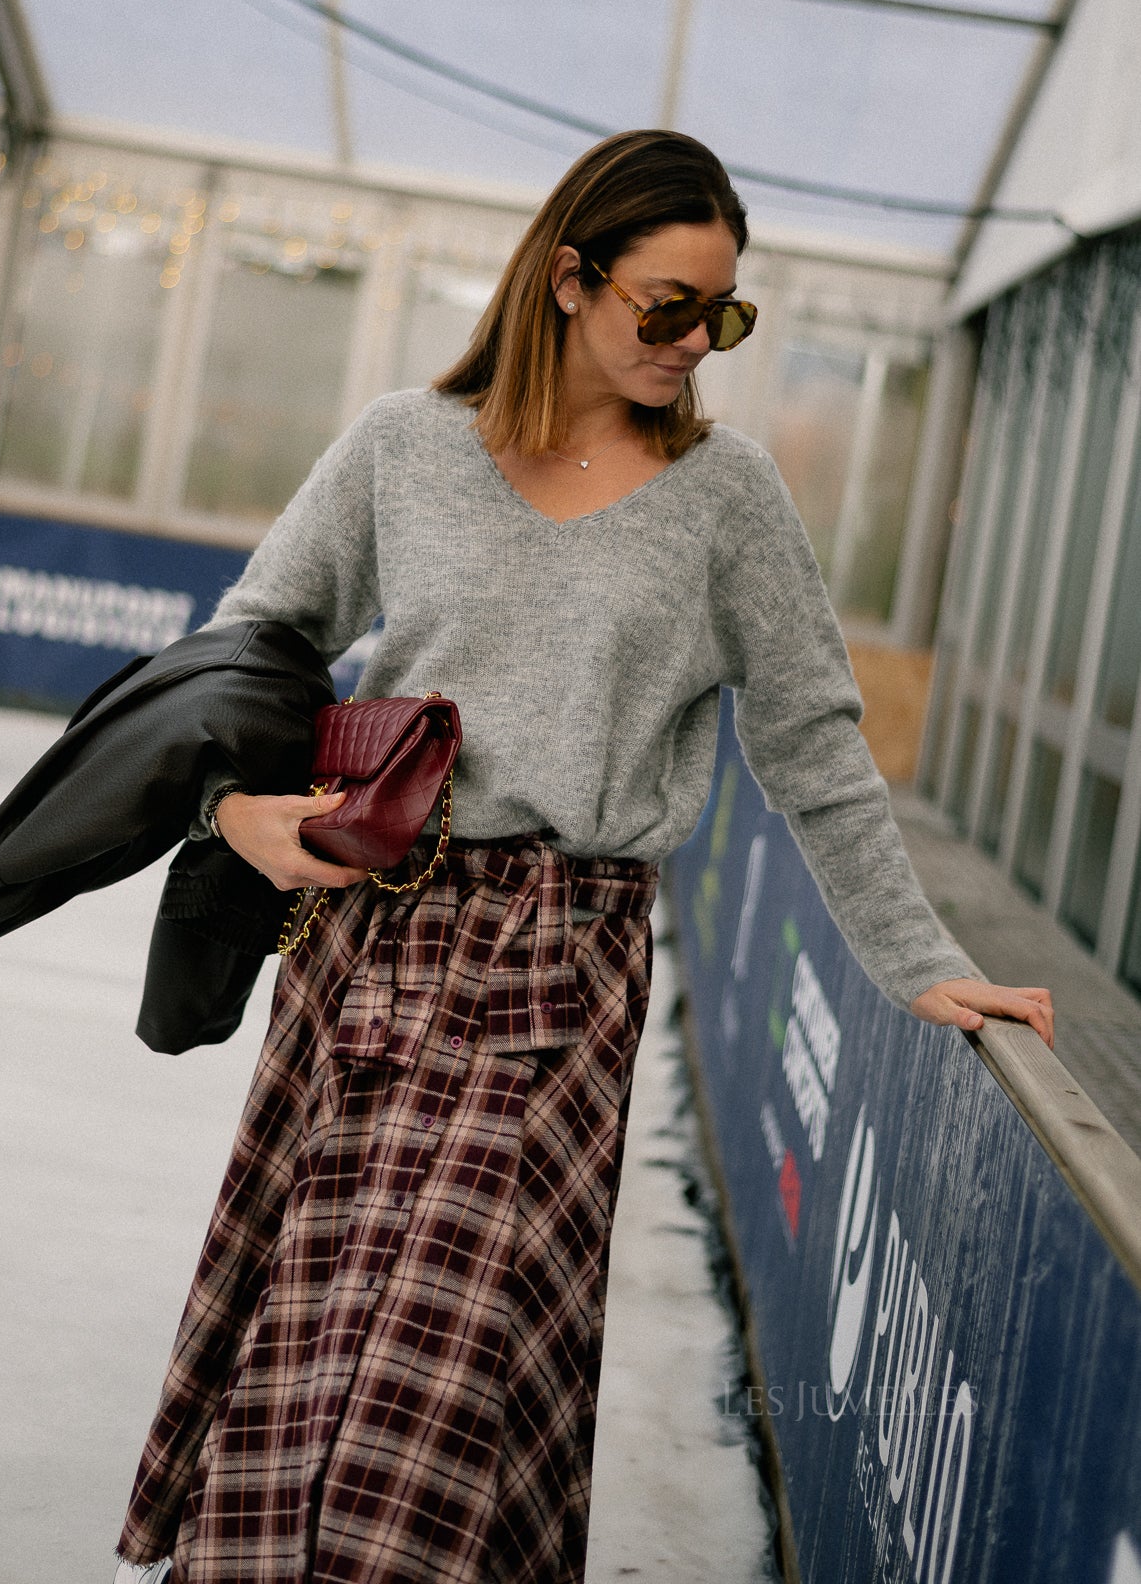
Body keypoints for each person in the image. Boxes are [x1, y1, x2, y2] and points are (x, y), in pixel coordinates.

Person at [113, 129, 1053, 1584]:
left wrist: (923, 964)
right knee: (306, 1371)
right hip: (370, 958)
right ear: (567, 279)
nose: (693, 343)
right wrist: (237, 814)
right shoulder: (402, 446)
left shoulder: (727, 499)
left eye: (721, 316)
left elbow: (812, 749)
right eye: (664, 306)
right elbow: (254, 646)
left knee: (431, 1406)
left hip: (558, 976)